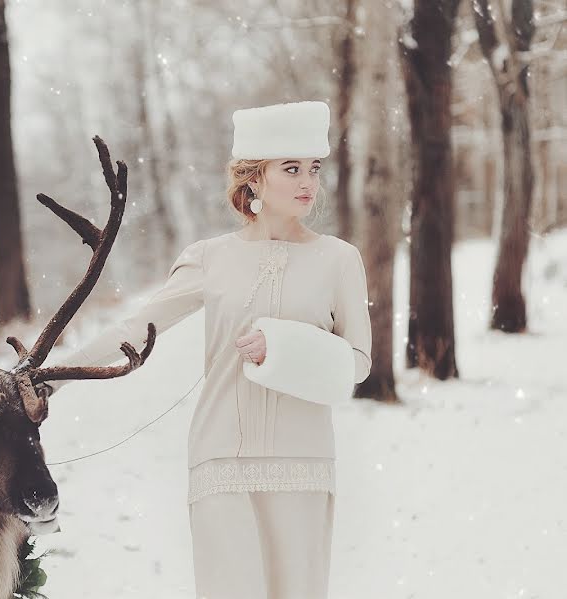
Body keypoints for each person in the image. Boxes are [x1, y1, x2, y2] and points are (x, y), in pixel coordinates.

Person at [45, 100, 372, 598]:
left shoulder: (339, 260)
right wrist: (49, 375)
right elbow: (137, 326)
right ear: (253, 179)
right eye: (291, 168)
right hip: (221, 457)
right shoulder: (209, 258)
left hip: (303, 459)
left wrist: (284, 349)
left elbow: (358, 363)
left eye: (314, 168)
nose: (308, 181)